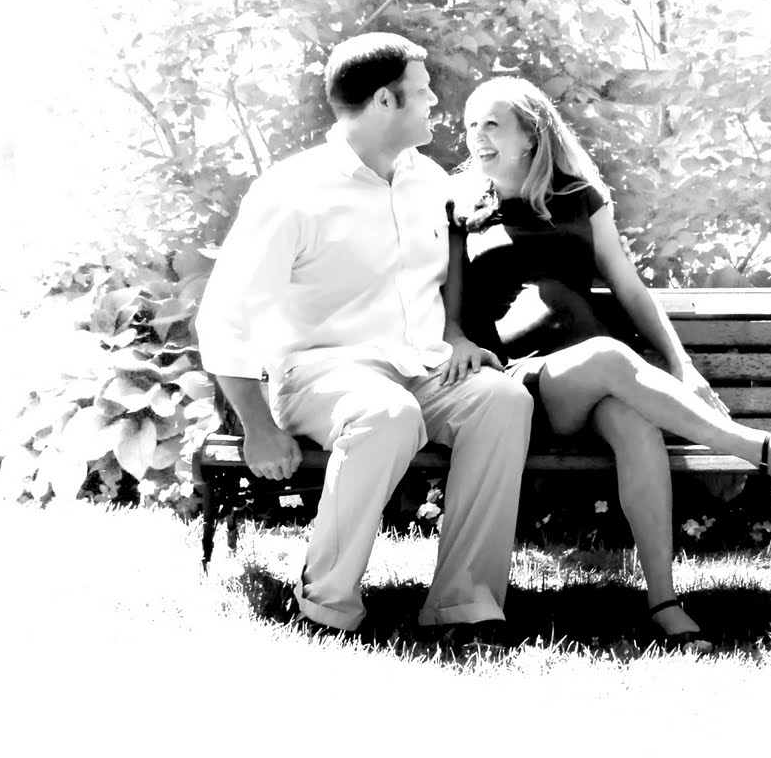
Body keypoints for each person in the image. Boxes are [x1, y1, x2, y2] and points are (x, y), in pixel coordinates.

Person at [450, 77, 771, 652]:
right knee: (612, 354)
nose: (477, 137)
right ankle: (768, 453)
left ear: (531, 136)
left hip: (593, 377)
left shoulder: (580, 197)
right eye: (471, 125)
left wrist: (683, 366)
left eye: (491, 124)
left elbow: (631, 289)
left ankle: (664, 604)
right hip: (520, 383)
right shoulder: (460, 204)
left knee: (637, 427)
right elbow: (450, 303)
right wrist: (456, 339)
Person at [196, 33, 533, 646]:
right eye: (422, 90)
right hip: (320, 374)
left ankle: (465, 606)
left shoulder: (429, 179)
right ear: (384, 101)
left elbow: (447, 268)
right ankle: (326, 605)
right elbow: (224, 317)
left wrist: (455, 332)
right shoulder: (292, 192)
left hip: (420, 366)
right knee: (387, 414)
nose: (435, 100)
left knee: (503, 401)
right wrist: (257, 426)